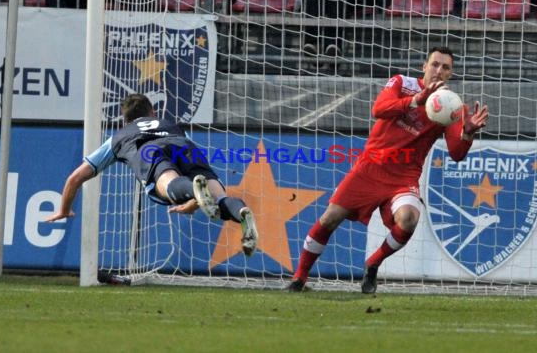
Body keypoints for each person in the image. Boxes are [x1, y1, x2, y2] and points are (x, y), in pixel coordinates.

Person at [287, 46, 489, 293]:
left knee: (408, 219)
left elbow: (457, 154)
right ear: (424, 66)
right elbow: (379, 110)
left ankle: (373, 263)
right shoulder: (402, 83)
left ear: (450, 74)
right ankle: (299, 279)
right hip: (370, 168)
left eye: (445, 67)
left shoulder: (452, 107)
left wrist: (466, 132)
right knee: (330, 218)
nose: (439, 70)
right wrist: (417, 100)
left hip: (403, 178)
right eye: (435, 64)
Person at [46, 93, 259, 257]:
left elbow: (75, 178)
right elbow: (206, 198)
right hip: (183, 145)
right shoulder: (171, 125)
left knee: (169, 182)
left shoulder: (118, 137)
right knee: (219, 199)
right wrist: (196, 200)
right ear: (153, 113)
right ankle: (241, 211)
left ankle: (191, 188)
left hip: (149, 150)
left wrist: (64, 210)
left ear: (124, 120)